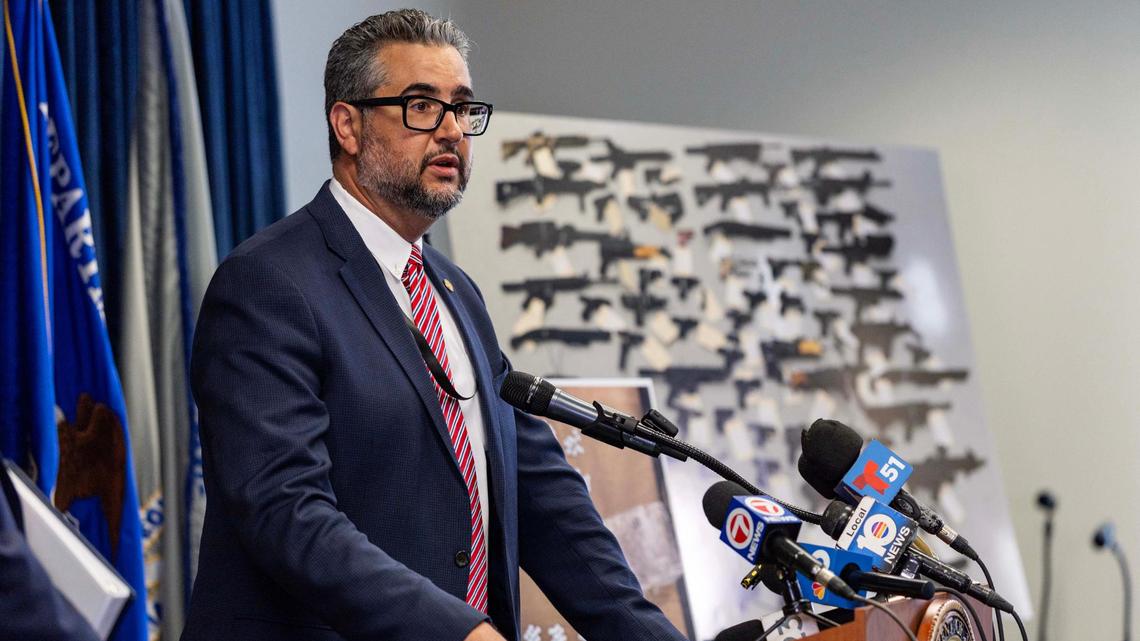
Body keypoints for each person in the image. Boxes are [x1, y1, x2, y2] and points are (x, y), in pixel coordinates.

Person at [181, 9, 688, 641]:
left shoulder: (457, 293)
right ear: (348, 125)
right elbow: (285, 511)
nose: (451, 131)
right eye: (422, 106)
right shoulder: (268, 283)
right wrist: (459, 633)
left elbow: (543, 500)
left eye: (462, 108)